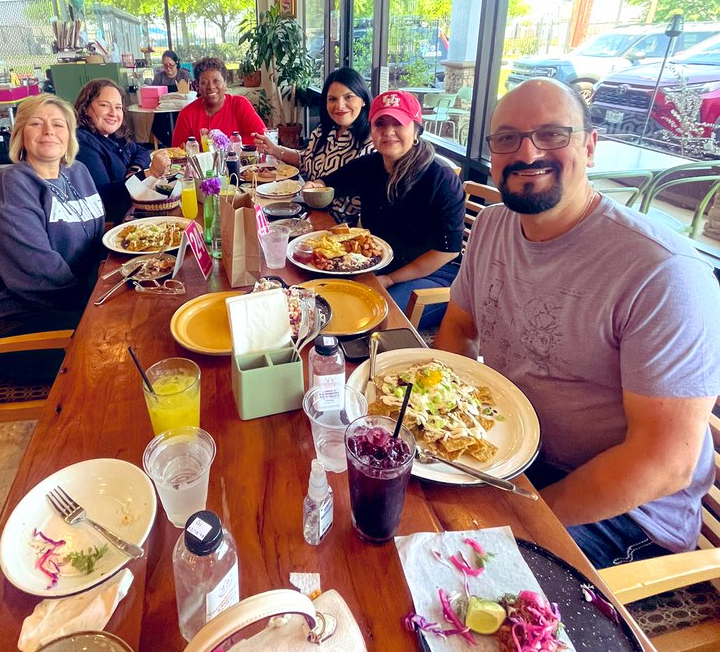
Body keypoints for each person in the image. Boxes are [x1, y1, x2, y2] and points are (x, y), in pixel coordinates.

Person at [434, 78, 720, 568]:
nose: (526, 153)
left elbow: (664, 463)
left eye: (550, 134)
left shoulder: (663, 272)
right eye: (506, 138)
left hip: (624, 514)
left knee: (454, 579)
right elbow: (459, 329)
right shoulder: (494, 225)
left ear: (590, 146)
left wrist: (528, 515)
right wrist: (441, 422)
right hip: (509, 453)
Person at [0, 94, 105, 381]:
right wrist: (99, 299)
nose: (49, 132)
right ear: (20, 134)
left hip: (68, 305)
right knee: (116, 346)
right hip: (14, 325)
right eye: (36, 124)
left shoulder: (77, 172)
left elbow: (95, 241)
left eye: (58, 124)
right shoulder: (11, 185)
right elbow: (38, 273)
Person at [305, 90, 464, 326]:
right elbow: (328, 183)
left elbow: (447, 251)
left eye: (398, 123)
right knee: (316, 292)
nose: (388, 132)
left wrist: (390, 278)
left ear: (417, 130)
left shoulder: (440, 179)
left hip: (434, 275)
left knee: (367, 314)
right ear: (371, 130)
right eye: (380, 123)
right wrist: (313, 185)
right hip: (381, 265)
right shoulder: (369, 166)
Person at [255, 66, 373, 222]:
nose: (339, 105)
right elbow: (306, 161)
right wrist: (275, 150)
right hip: (308, 214)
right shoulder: (324, 131)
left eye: (348, 97)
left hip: (343, 228)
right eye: (332, 99)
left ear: (363, 99)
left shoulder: (371, 142)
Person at [74, 79, 170, 222]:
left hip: (134, 208)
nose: (113, 113)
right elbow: (105, 196)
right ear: (85, 107)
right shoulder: (82, 143)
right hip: (116, 225)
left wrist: (134, 170)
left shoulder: (114, 135)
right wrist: (150, 173)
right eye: (104, 105)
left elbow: (141, 151)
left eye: (118, 107)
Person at [171, 57, 265, 148]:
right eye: (204, 82)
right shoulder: (187, 114)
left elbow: (262, 137)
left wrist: (227, 145)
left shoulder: (240, 104)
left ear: (225, 84)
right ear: (197, 87)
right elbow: (177, 153)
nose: (211, 87)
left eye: (216, 81)